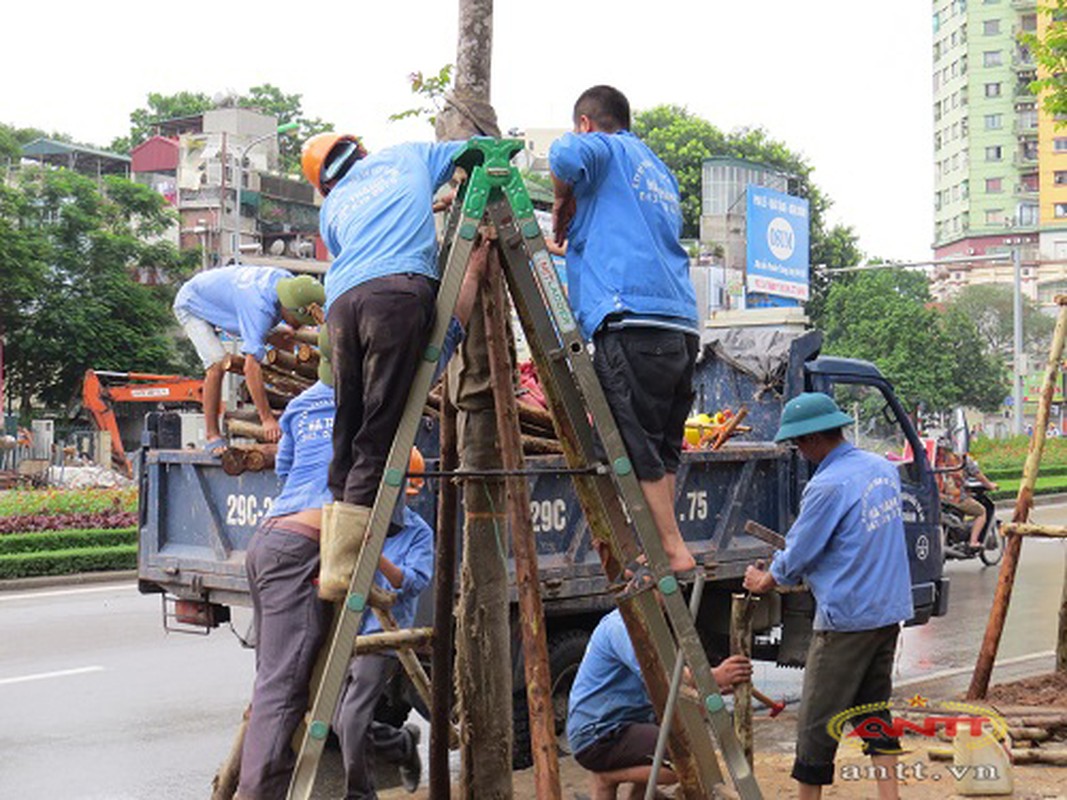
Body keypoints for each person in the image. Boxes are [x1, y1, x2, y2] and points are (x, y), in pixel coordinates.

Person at [235, 246, 486, 800]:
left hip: (273, 540)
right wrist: (471, 269)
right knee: (283, 693)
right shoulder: (385, 401)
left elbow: (285, 472)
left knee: (282, 685)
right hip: (307, 550)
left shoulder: (303, 405)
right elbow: (450, 333)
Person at [300, 132, 468, 601]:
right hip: (396, 294)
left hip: (343, 303)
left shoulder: (332, 209)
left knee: (348, 425)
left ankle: (337, 560)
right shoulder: (409, 155)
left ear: (326, 184)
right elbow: (473, 150)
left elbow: (358, 242)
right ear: (361, 150)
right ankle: (345, 567)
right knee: (381, 428)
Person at [549, 85, 700, 574]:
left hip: (631, 320)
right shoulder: (655, 169)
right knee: (660, 447)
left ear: (587, 124)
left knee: (635, 446)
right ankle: (662, 542)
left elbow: (562, 153)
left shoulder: (602, 148)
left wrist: (559, 200)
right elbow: (615, 237)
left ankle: (672, 547)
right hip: (678, 323)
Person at [743, 393, 913, 800]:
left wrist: (765, 580)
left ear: (814, 438)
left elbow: (798, 553)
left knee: (816, 722)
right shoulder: (881, 469)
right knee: (874, 709)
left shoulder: (827, 484)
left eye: (800, 444)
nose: (800, 452)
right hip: (887, 610)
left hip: (847, 617)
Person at [567, 608, 752, 800]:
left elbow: (669, 690)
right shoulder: (622, 627)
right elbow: (661, 673)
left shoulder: (646, 624)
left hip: (624, 724)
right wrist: (713, 676)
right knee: (685, 761)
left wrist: (708, 690)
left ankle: (639, 797)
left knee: (675, 731)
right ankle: (606, 778)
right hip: (599, 732)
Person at [173, 265, 324, 451]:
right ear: (288, 307)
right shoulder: (260, 309)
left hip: (230, 305)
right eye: (299, 319)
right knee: (217, 363)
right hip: (192, 303)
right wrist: (267, 419)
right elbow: (250, 368)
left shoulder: (290, 284)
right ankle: (212, 435)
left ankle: (295, 393)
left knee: (287, 336)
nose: (300, 324)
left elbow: (294, 329)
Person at [962, 453, 998, 553]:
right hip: (955, 497)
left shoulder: (931, 457)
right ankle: (973, 542)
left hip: (938, 497)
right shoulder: (960, 457)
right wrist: (989, 485)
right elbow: (977, 473)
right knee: (981, 512)